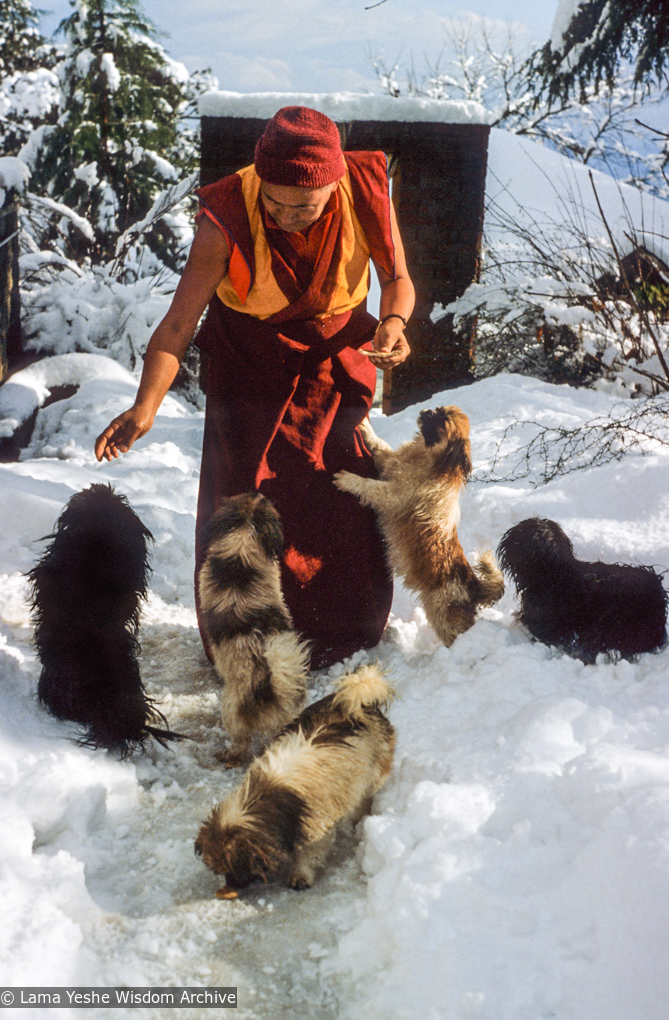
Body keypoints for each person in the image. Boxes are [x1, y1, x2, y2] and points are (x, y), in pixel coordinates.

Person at [95, 105, 415, 669]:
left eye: (306, 206)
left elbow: (396, 280)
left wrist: (393, 323)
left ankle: (342, 633)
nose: (288, 215)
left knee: (337, 494)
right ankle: (244, 645)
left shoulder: (365, 188)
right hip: (250, 372)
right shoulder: (225, 215)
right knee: (246, 504)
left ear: (334, 183)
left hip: (332, 370)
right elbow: (177, 324)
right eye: (275, 201)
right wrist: (145, 406)